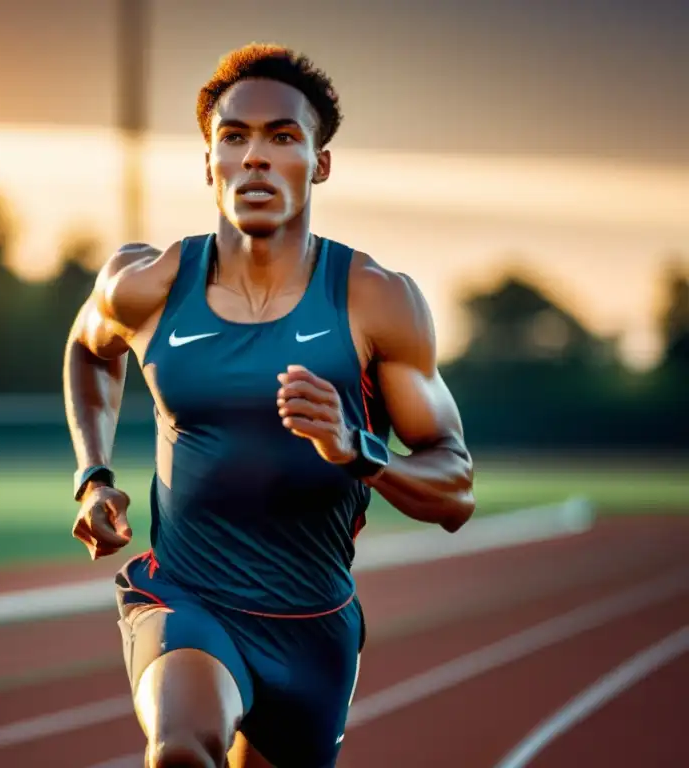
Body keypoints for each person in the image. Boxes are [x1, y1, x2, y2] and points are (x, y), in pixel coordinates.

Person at [63, 43, 475, 768]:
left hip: (313, 628)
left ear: (319, 163)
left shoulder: (376, 301)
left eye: (282, 137)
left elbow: (456, 491)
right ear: (208, 163)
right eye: (234, 137)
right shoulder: (149, 284)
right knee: (183, 747)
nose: (255, 157)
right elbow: (90, 349)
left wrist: (358, 449)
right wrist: (93, 475)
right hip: (188, 599)